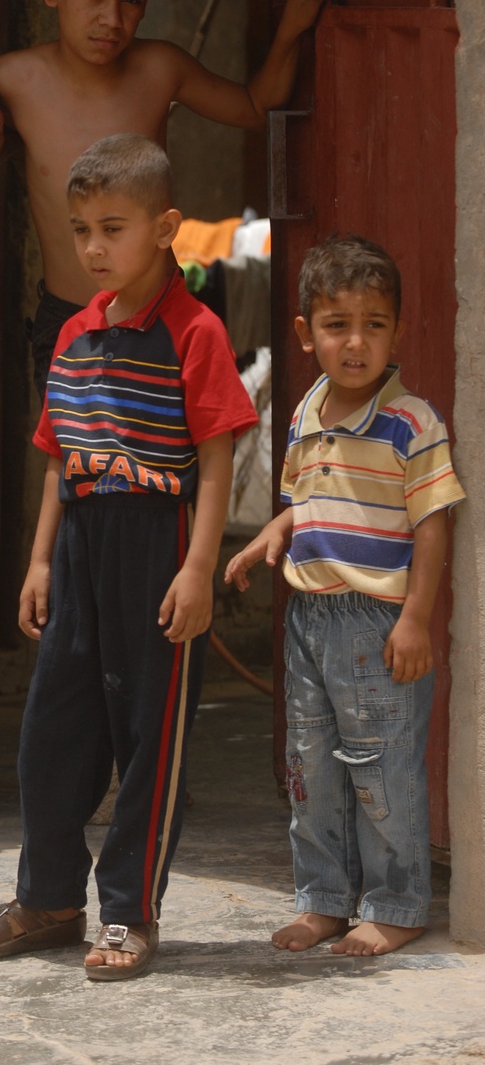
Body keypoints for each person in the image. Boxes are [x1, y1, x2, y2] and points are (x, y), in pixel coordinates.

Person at [0, 135, 258, 980]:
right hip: (84, 541)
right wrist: (40, 559)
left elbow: (217, 456)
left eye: (112, 228)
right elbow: (59, 455)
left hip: (157, 543)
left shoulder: (195, 332)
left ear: (165, 228)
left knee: (149, 739)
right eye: (81, 228)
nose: (92, 248)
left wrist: (198, 568)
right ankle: (48, 897)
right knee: (53, 730)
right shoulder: (75, 334)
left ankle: (129, 913)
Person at [225, 234, 465, 957]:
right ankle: (323, 898)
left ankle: (396, 902)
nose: (356, 343)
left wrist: (416, 617)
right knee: (311, 765)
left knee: (382, 767)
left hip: (375, 621)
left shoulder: (411, 424)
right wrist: (273, 531)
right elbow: (307, 496)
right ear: (306, 334)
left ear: (397, 328)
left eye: (374, 325)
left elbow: (431, 525)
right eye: (337, 326)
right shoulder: (304, 413)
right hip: (307, 617)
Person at [0, 0, 324, 395]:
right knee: (77, 468)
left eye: (131, 1)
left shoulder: (159, 70)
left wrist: (291, 26)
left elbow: (252, 106)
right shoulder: (13, 80)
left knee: (169, 466)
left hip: (160, 316)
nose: (111, 19)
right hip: (70, 322)